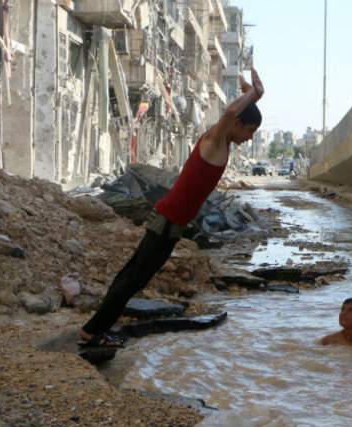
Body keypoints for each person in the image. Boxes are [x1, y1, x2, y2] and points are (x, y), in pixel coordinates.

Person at [79, 70, 265, 348]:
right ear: (238, 124)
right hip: (167, 220)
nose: (249, 138)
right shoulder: (214, 141)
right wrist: (254, 94)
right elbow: (228, 113)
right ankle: (93, 331)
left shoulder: (220, 142)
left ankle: (96, 328)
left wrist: (250, 97)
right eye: (250, 130)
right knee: (133, 279)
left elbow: (231, 116)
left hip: (171, 220)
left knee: (132, 276)